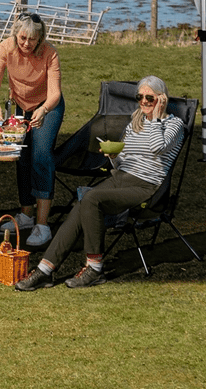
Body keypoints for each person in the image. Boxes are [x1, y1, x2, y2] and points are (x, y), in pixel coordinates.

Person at [15, 75, 183, 290]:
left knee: (91, 198)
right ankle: (45, 270)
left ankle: (94, 267)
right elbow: (124, 161)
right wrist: (114, 156)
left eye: (149, 98)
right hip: (121, 178)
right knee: (83, 202)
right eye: (139, 97)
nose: (143, 102)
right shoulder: (135, 122)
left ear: (161, 99)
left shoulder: (174, 124)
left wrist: (156, 118)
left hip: (146, 186)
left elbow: (157, 148)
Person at [0, 12, 64, 248]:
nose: (27, 44)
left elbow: (55, 93)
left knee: (41, 155)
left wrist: (44, 109)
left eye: (32, 39)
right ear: (15, 34)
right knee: (21, 156)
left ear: (40, 38)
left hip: (48, 106)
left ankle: (42, 225)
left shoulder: (49, 53)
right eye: (22, 38)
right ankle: (26, 215)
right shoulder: (5, 48)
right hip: (20, 105)